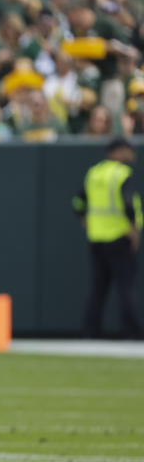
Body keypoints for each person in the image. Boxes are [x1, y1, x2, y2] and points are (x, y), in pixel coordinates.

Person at [73, 137, 143, 338]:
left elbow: (78, 201)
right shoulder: (121, 174)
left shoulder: (94, 173)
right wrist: (134, 230)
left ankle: (90, 330)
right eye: (128, 150)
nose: (132, 154)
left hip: (96, 238)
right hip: (119, 237)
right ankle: (132, 332)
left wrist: (83, 218)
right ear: (118, 152)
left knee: (98, 288)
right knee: (126, 287)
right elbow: (129, 204)